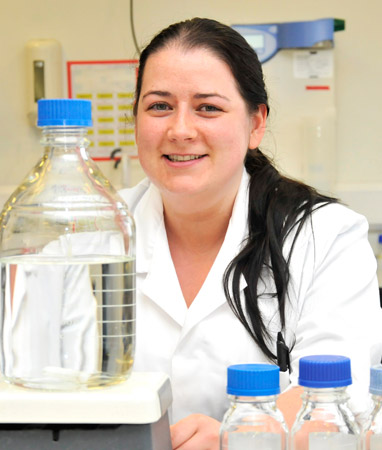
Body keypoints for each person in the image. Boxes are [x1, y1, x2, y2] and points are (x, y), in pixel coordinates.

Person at [117, 17, 382, 449]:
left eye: (208, 107)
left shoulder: (324, 237)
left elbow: (338, 398)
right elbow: (21, 377)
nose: (180, 129)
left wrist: (231, 438)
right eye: (159, 106)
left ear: (256, 123)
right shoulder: (91, 234)